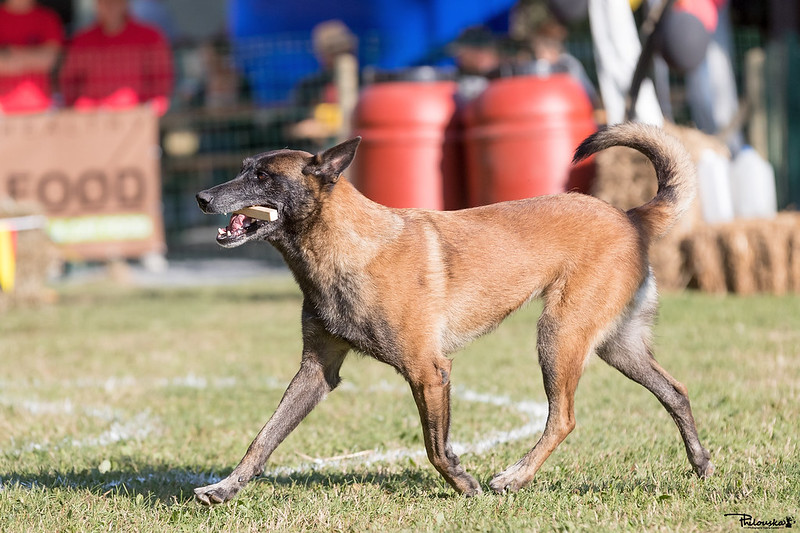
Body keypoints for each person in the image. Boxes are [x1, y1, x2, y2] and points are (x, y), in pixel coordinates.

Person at [59, 0, 174, 115]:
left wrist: (151, 107)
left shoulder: (150, 37)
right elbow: (69, 81)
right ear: (97, 6)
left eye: (115, 2)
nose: (110, 7)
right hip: (91, 116)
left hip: (135, 114)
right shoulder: (82, 40)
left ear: (125, 4)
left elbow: (161, 79)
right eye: (105, 3)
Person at [287, 19, 358, 148]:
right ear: (321, 54)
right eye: (333, 51)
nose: (339, 57)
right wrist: (306, 128)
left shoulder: (364, 84)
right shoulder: (308, 87)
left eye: (344, 51)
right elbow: (294, 127)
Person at [0, 0, 64, 114]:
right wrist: (34, 56)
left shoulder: (47, 18)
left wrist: (9, 54)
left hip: (40, 108)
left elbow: (49, 60)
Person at [529, 19, 601, 110]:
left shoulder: (568, 64)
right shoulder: (544, 65)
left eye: (539, 52)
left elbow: (586, 92)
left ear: (551, 50)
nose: (538, 57)